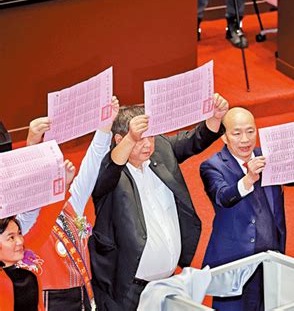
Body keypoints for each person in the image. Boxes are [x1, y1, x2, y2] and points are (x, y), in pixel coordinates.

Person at [89, 95, 228, 310]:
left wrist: (215, 119)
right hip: (127, 290)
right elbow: (109, 169)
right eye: (139, 139)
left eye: (151, 137)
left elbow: (192, 141)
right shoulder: (106, 173)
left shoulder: (160, 149)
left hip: (170, 281)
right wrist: (130, 139)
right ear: (119, 140)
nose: (148, 144)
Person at [200, 107, 294, 311]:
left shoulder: (266, 156)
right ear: (224, 137)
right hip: (235, 263)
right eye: (237, 133)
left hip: (270, 258)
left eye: (250, 131)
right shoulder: (212, 166)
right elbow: (223, 197)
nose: (245, 139)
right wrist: (248, 179)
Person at [15, 96, 119, 310]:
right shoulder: (25, 220)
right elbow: (29, 187)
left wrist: (105, 127)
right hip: (51, 299)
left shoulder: (71, 205)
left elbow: (91, 166)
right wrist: (32, 143)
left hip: (85, 291)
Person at [0, 161, 76, 311]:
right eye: (11, 237)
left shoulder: (27, 273)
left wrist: (64, 185)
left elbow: (45, 221)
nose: (20, 241)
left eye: (19, 234)